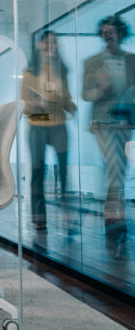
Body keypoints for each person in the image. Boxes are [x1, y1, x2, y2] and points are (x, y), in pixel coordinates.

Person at [82, 15, 135, 256]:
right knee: (114, 166)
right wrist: (101, 90)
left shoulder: (132, 60)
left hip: (125, 122)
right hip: (102, 122)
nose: (108, 35)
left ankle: (115, 215)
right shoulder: (92, 62)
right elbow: (86, 95)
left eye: (111, 31)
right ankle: (113, 219)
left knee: (119, 168)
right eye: (104, 32)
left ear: (120, 34)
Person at [22, 31, 76, 232]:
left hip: (58, 124)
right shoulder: (30, 71)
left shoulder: (62, 70)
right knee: (37, 172)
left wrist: (71, 106)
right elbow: (24, 104)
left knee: (63, 171)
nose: (50, 46)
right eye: (47, 43)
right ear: (40, 46)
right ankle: (39, 218)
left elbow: (67, 98)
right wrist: (35, 104)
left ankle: (67, 216)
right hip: (37, 124)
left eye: (54, 43)